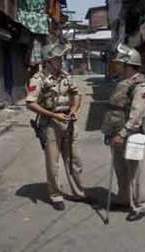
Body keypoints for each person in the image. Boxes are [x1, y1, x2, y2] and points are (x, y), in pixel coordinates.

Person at [26, 43, 90, 211]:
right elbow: (30, 103)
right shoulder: (38, 79)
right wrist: (54, 116)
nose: (61, 61)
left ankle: (79, 193)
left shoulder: (66, 76)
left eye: (61, 58)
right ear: (48, 60)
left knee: (74, 160)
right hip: (50, 123)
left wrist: (74, 110)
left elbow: (76, 94)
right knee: (53, 163)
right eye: (57, 58)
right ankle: (55, 195)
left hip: (67, 121)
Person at [102, 43, 145, 221]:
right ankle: (123, 199)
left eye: (119, 64)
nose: (116, 66)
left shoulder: (140, 87)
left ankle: (140, 205)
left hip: (131, 134)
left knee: (134, 171)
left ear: (129, 65)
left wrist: (122, 134)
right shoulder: (123, 82)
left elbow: (136, 116)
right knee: (120, 169)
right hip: (117, 134)